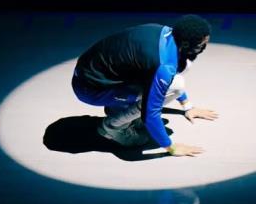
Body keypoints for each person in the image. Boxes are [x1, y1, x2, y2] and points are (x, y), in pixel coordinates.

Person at [72, 14, 218, 157]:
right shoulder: (164, 65)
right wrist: (170, 147)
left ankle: (115, 107)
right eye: (201, 45)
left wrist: (188, 107)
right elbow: (151, 113)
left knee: (163, 81)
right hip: (90, 90)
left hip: (91, 72)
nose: (204, 48)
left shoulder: (165, 32)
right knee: (172, 87)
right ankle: (111, 127)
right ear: (186, 44)